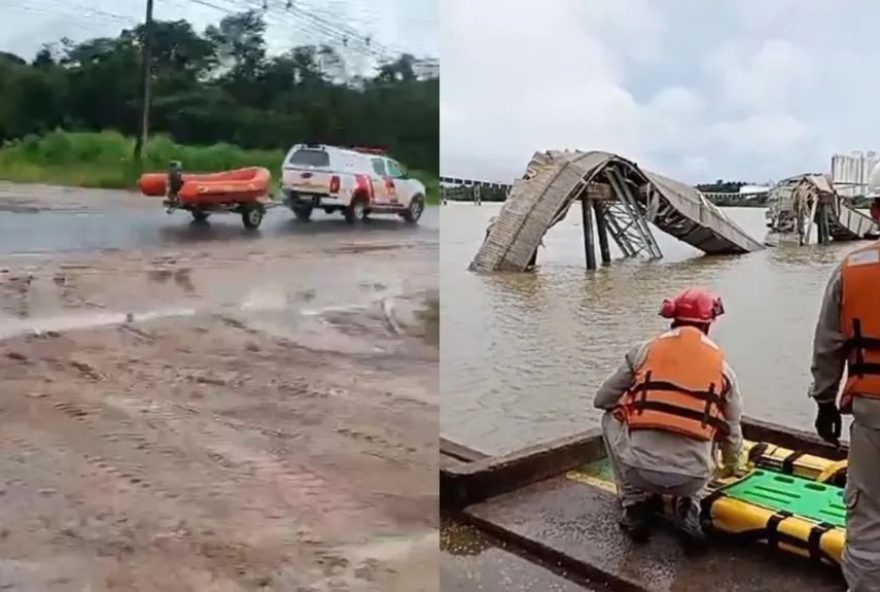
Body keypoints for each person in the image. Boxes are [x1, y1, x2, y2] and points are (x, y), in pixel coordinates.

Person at [594, 288, 743, 545]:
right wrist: (732, 465)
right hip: (692, 478)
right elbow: (732, 432)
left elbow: (602, 400)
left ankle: (634, 505)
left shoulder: (641, 352)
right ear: (709, 322)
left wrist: (633, 406)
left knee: (610, 416)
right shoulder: (723, 369)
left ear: (672, 318)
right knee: (714, 421)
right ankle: (690, 507)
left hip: (638, 472)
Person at [808, 181, 880, 591]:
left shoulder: (853, 269)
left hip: (873, 409)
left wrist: (824, 402)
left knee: (868, 513)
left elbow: (827, 345)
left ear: (874, 210)